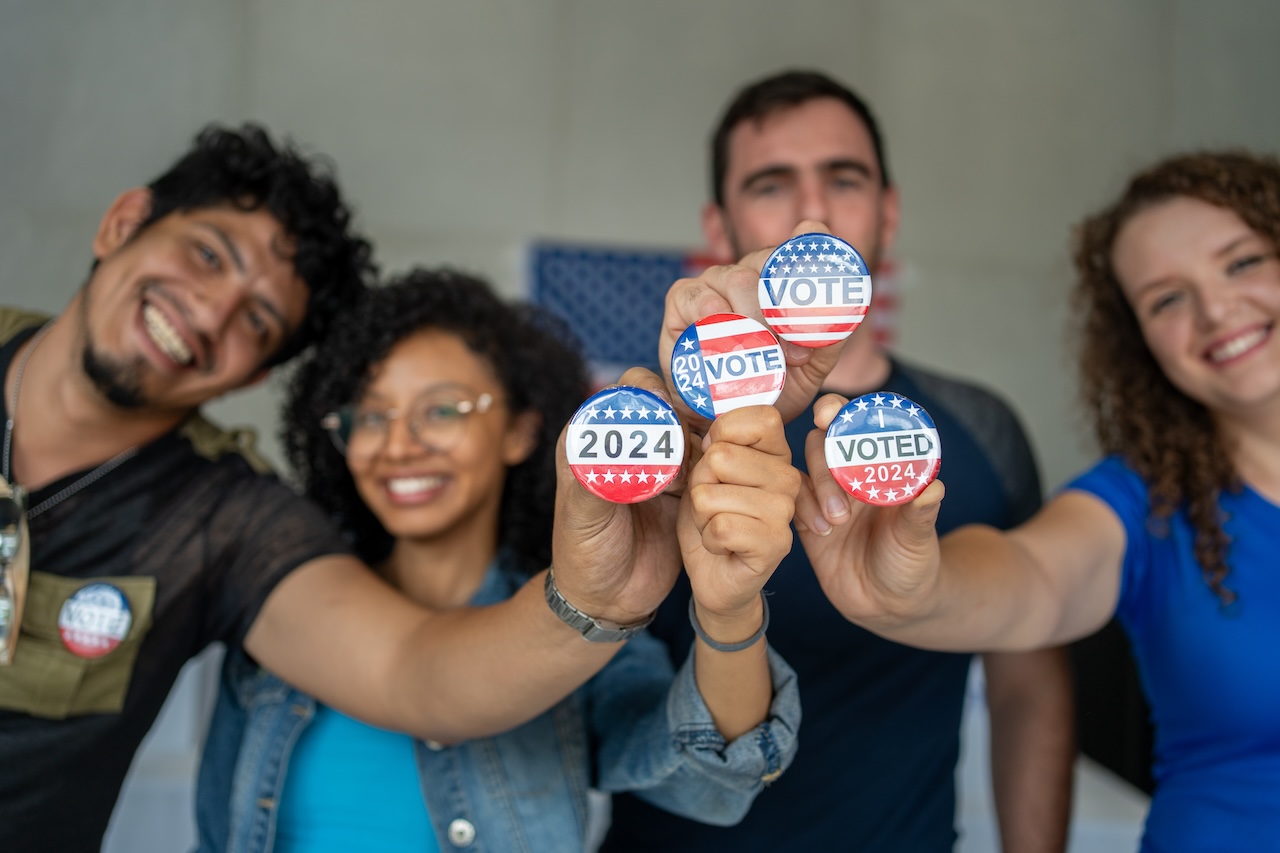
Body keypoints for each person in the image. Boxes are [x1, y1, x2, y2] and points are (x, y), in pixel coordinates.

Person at [0, 124, 735, 852]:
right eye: (205, 253)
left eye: (257, 320)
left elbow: (414, 671)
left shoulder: (231, 526)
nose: (211, 310)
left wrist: (599, 600)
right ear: (124, 222)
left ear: (254, 374)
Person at [605, 69, 1074, 852]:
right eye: (771, 183)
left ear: (887, 210)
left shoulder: (981, 426)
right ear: (719, 226)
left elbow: (1026, 681)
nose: (813, 212)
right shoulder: (657, 431)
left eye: (844, 179)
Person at [194, 269, 801, 851]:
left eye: (441, 410)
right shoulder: (282, 608)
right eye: (372, 416)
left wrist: (729, 612)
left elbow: (709, 781)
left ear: (519, 430)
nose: (399, 445)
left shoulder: (586, 625)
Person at [797, 150, 1280, 850]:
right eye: (1166, 298)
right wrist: (915, 588)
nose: (1215, 310)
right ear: (1142, 343)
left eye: (1242, 262)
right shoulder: (1142, 502)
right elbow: (1032, 577)